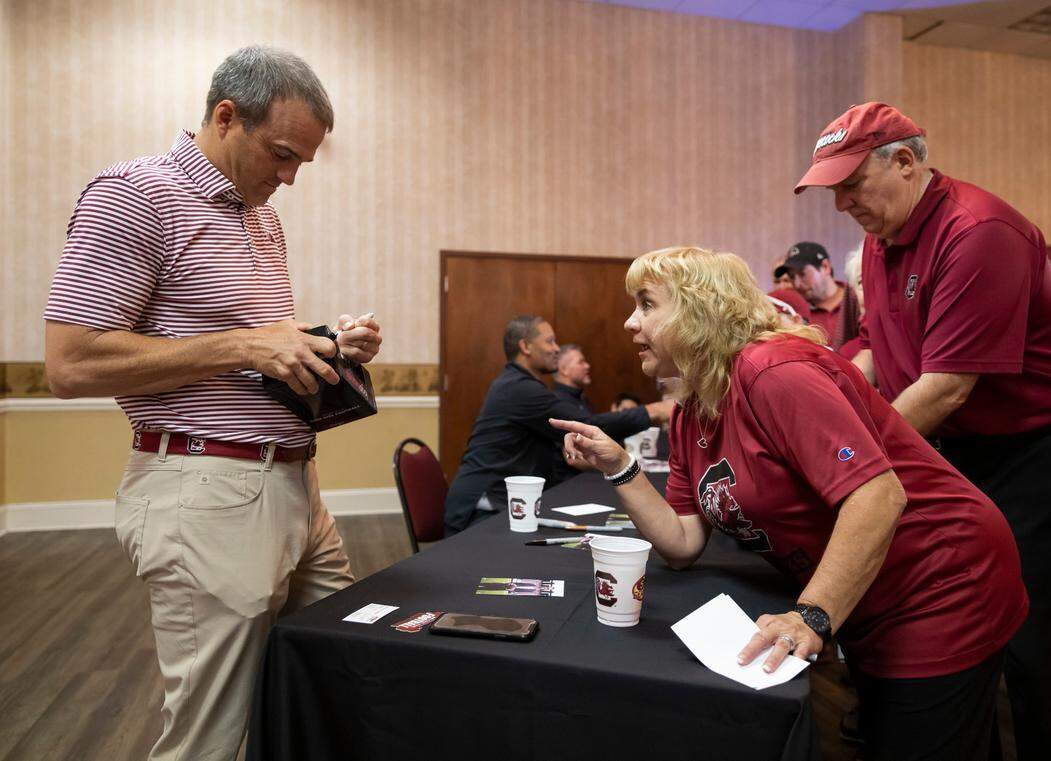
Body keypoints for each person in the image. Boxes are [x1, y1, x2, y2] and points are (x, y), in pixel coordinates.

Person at [553, 247, 1026, 761]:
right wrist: (617, 464)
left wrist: (812, 616)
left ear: (698, 312)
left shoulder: (773, 371)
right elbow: (683, 542)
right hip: (875, 591)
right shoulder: (693, 412)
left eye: (646, 304)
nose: (629, 322)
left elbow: (877, 496)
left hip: (943, 576)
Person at [42, 47, 382, 761]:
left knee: (336, 671)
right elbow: (70, 363)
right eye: (282, 154)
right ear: (226, 116)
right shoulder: (134, 195)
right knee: (209, 738)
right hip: (206, 494)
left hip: (295, 485)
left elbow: (247, 347)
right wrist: (248, 346)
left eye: (301, 165)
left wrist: (322, 345)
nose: (288, 178)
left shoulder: (262, 216)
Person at [794, 101, 1051, 760]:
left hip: (1040, 458)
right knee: (959, 634)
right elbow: (872, 347)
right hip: (955, 451)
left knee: (1044, 659)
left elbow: (946, 385)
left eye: (852, 184)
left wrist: (849, 457)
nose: (842, 203)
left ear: (906, 162)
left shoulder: (978, 230)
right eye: (834, 189)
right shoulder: (881, 243)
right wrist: (829, 404)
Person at [443, 315, 672, 535]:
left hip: (503, 503)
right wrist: (654, 411)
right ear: (526, 347)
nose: (556, 348)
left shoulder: (520, 385)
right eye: (550, 341)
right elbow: (587, 425)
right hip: (480, 511)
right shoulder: (520, 389)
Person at [773, 242, 860, 349]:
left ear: (825, 266)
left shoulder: (858, 298)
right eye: (792, 277)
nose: (797, 284)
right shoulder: (796, 314)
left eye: (802, 274)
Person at [552, 343, 593, 415]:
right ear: (564, 370)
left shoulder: (580, 396)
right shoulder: (558, 403)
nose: (587, 366)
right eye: (581, 362)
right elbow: (588, 422)